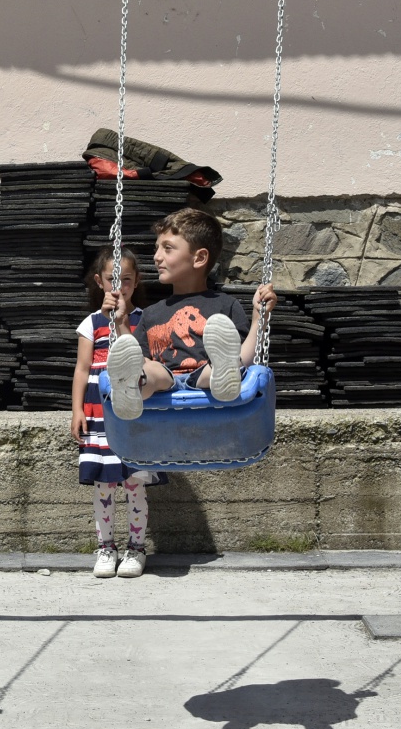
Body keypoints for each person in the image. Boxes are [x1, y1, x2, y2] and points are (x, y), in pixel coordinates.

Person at [106, 208, 277, 421]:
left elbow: (244, 359)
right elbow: (139, 358)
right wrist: (122, 321)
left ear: (199, 258)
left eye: (167, 248)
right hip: (164, 385)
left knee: (220, 368)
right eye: (156, 248)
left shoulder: (225, 306)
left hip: (204, 381)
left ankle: (222, 372)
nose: (156, 257)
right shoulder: (151, 314)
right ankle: (130, 386)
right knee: (150, 371)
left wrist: (260, 319)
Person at [70, 247, 165, 580]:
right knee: (103, 486)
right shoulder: (91, 323)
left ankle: (137, 548)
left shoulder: (145, 320)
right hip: (99, 414)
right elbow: (82, 370)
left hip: (133, 414)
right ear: (99, 281)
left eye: (126, 280)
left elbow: (142, 360)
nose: (119, 286)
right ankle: (105, 546)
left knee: (134, 483)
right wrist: (77, 409)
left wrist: (123, 321)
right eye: (112, 279)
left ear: (136, 281)